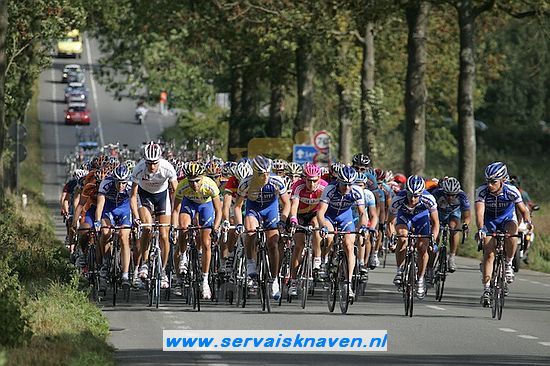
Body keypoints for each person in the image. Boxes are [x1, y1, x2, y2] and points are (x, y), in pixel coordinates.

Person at [233, 156, 290, 300]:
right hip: (253, 209)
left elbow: (287, 204)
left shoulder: (277, 181)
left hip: (271, 210)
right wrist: (240, 224)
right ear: (254, 172)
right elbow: (238, 206)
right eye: (261, 174)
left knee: (273, 244)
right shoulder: (246, 183)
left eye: (267, 173)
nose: (265, 177)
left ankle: (275, 280)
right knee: (250, 231)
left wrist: (282, 221)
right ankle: (251, 262)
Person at [475, 162, 532, 307]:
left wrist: (528, 222)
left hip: (507, 219)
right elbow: (479, 213)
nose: (489, 185)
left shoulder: (511, 190)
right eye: (488, 181)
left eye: (493, 182)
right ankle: (487, 289)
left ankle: (508, 263)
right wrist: (481, 229)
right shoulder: (481, 191)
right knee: (489, 253)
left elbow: (524, 210)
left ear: (502, 180)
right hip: (489, 221)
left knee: (513, 234)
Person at [316, 166, 371, 300]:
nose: (347, 187)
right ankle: (325, 261)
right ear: (338, 181)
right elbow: (321, 212)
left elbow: (362, 213)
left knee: (349, 245)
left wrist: (363, 226)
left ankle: (348, 283)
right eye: (344, 184)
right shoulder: (330, 189)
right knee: (329, 238)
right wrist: (323, 225)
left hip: (346, 218)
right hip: (329, 217)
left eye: (349, 184)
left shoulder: (357, 191)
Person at [130, 142, 178, 289]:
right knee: (148, 228)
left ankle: (163, 271)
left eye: (154, 163)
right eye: (149, 163)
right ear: (144, 160)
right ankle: (144, 263)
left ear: (159, 160)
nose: (151, 167)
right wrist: (135, 217)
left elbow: (176, 194)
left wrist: (175, 219)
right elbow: (132, 196)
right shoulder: (138, 169)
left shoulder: (167, 168)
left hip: (162, 197)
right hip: (144, 196)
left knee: (164, 235)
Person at [172, 162, 222, 300]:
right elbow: (176, 210)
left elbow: (219, 211)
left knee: (206, 242)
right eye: (191, 181)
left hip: (206, 206)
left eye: (197, 181)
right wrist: (172, 228)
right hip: (189, 205)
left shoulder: (210, 184)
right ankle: (183, 256)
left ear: (202, 177)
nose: (194, 185)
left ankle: (205, 282)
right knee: (183, 227)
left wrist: (216, 228)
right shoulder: (182, 186)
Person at [387, 175, 439, 299]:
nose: (412, 199)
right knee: (403, 237)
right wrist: (392, 238)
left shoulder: (429, 199)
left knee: (422, 247)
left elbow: (436, 222)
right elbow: (390, 222)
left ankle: (420, 279)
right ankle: (400, 270)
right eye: (410, 195)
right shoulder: (398, 198)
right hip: (404, 217)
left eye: (416, 196)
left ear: (421, 194)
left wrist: (433, 239)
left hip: (421, 218)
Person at [431, 177, 471, 273]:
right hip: (439, 214)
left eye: (453, 195)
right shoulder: (436, 193)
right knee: (435, 237)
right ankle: (430, 267)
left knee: (454, 228)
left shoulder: (462, 196)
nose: (450, 197)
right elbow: (429, 210)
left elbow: (467, 215)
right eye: (448, 195)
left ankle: (452, 257)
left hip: (453, 214)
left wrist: (465, 225)